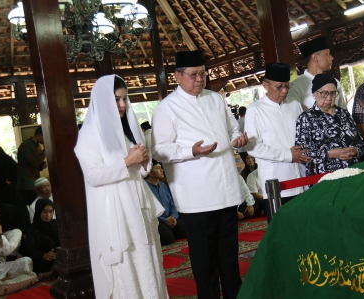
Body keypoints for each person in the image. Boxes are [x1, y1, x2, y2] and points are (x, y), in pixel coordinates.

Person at [151, 50, 248, 299]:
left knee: (229, 254)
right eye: (193, 75)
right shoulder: (167, 107)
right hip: (197, 196)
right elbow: (159, 149)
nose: (199, 79)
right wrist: (190, 151)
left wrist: (238, 138)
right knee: (205, 261)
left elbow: (233, 128)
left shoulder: (215, 99)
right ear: (178, 76)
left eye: (203, 74)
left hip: (226, 189)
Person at [74, 75, 168, 299]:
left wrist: (144, 162)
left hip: (139, 206)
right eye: (116, 100)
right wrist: (127, 161)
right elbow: (93, 176)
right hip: (116, 213)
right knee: (127, 267)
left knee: (148, 262)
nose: (123, 105)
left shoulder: (126, 130)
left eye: (124, 99)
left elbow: (142, 171)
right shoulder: (89, 136)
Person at [244, 63, 311, 222]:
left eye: (287, 86)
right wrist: (288, 155)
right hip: (277, 183)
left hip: (302, 178)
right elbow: (253, 147)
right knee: (282, 232)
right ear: (265, 85)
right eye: (279, 86)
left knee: (306, 228)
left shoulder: (294, 104)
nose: (284, 91)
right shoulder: (255, 110)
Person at [295, 74, 364, 176]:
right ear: (314, 93)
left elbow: (361, 143)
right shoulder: (306, 118)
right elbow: (301, 153)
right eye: (324, 93)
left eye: (333, 93)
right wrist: (329, 153)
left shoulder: (344, 114)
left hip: (352, 174)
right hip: (324, 179)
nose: (328, 98)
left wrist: (356, 151)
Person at [287, 36, 347, 111]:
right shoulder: (296, 87)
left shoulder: (335, 83)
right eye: (328, 54)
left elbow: (343, 112)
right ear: (315, 58)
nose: (332, 58)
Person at [0, 203, 32, 287]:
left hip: (9, 267)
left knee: (26, 260)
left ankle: (0, 285)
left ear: (6, 215)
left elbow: (7, 251)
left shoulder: (16, 232)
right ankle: (8, 284)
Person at [145, 161, 186, 246]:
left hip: (169, 218)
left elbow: (171, 204)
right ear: (150, 173)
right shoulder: (145, 188)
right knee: (168, 238)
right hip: (156, 221)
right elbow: (148, 211)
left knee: (186, 230)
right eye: (158, 168)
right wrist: (164, 220)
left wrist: (173, 217)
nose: (162, 170)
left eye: (161, 168)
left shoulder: (163, 186)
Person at [22, 198, 58, 278]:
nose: (48, 215)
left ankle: (54, 271)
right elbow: (30, 249)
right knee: (47, 240)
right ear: (38, 211)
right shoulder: (32, 229)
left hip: (58, 257)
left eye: (51, 211)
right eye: (44, 212)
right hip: (41, 261)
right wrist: (44, 255)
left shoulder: (57, 224)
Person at [17, 127, 47, 206]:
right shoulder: (26, 146)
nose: (46, 140)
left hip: (34, 182)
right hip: (26, 184)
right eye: (45, 137)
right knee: (33, 206)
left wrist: (41, 166)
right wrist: (45, 151)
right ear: (39, 136)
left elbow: (36, 163)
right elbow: (34, 162)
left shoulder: (37, 146)